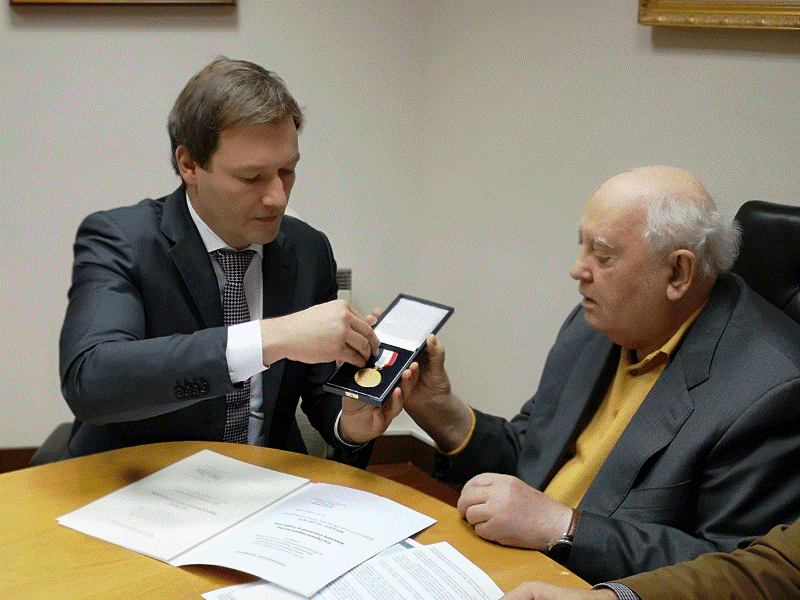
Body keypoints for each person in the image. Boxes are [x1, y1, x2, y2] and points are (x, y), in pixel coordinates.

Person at [372, 166, 800, 582]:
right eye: (581, 247)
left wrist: (564, 526)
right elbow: (532, 455)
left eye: (603, 255)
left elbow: (733, 573)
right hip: (516, 565)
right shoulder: (596, 325)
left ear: (677, 272)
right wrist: (439, 409)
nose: (577, 270)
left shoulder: (771, 390)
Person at [59, 57, 399, 466]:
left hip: (263, 489)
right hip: (138, 486)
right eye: (251, 178)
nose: (278, 197)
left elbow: (320, 394)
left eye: (286, 171)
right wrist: (271, 337)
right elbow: (91, 380)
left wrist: (350, 423)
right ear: (189, 165)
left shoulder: (309, 251)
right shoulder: (121, 240)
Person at [500, 518, 800, 600]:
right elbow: (782, 567)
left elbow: (728, 552)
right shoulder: (582, 360)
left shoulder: (769, 383)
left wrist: (569, 527)